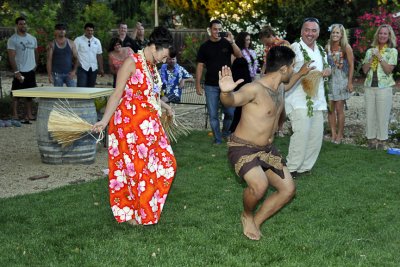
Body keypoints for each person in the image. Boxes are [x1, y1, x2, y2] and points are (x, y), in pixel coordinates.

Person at [219, 46, 313, 240]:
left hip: (266, 149)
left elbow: (288, 84)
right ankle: (247, 215)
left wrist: (301, 73)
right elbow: (232, 100)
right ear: (283, 69)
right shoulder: (254, 89)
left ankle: (256, 221)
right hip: (243, 148)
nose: (294, 70)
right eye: (293, 67)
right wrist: (225, 93)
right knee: (259, 186)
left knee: (288, 190)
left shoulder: (279, 86)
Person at [92, 26, 177, 225]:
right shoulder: (132, 62)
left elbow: (149, 95)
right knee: (134, 171)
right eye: (164, 55)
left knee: (167, 164)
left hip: (150, 126)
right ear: (156, 46)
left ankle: (144, 209)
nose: (165, 60)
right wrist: (104, 121)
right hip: (129, 126)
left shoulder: (151, 65)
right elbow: (117, 93)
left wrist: (165, 106)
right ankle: (133, 213)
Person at [285, 17, 331, 178]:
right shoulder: (294, 48)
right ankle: (291, 168)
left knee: (316, 135)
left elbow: (325, 67)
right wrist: (301, 72)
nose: (310, 33)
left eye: (314, 30)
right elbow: (284, 73)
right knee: (301, 134)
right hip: (298, 99)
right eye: (307, 29)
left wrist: (327, 71)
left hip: (317, 100)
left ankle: (305, 167)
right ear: (301, 31)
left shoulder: (321, 50)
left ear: (318, 33)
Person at [196, 19, 243, 144]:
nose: (217, 31)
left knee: (230, 113)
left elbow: (239, 55)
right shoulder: (204, 47)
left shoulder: (227, 43)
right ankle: (217, 139)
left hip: (227, 86)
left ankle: (226, 132)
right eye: (215, 29)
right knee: (213, 115)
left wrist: (232, 42)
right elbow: (200, 66)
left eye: (219, 29)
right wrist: (198, 85)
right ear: (210, 30)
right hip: (210, 85)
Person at [362, 24, 398, 150]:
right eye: (380, 33)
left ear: (389, 36)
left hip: (384, 87)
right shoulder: (369, 51)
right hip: (369, 87)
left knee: (383, 115)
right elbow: (365, 70)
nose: (382, 35)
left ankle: (382, 141)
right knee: (370, 114)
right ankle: (371, 140)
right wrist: (372, 57)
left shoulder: (392, 51)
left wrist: (380, 57)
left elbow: (388, 70)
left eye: (385, 33)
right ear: (377, 35)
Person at [325, 24, 354, 144]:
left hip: (341, 79)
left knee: (339, 109)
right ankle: (333, 133)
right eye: (333, 32)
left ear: (342, 34)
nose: (335, 35)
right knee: (330, 109)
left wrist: (350, 82)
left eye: (337, 33)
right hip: (330, 80)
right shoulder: (327, 47)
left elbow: (352, 65)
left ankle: (340, 135)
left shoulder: (346, 47)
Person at [7, 16, 38, 124]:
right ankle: (15, 115)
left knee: (30, 95)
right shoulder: (13, 39)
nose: (23, 25)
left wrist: (35, 65)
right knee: (16, 94)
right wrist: (16, 72)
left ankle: (29, 114)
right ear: (17, 25)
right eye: (20, 24)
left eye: (24, 24)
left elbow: (35, 52)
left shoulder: (32, 38)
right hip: (20, 70)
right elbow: (11, 56)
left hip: (31, 70)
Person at [74, 22, 104, 87]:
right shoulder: (78, 40)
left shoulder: (97, 41)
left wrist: (101, 68)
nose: (90, 32)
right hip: (82, 67)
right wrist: (77, 64)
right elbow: (74, 53)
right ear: (85, 30)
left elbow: (99, 55)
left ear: (93, 31)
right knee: (81, 87)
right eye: (88, 30)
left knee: (91, 88)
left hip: (93, 68)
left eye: (91, 30)